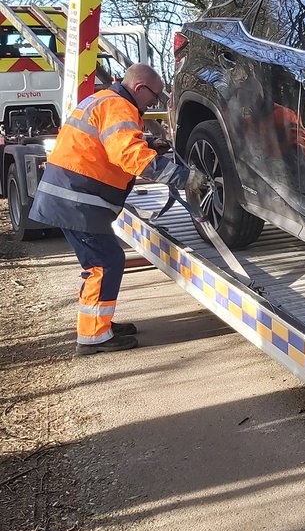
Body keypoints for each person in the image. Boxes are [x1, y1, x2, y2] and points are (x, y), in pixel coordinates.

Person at [30, 63, 191, 355]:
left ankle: (99, 326)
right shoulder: (119, 107)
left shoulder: (105, 100)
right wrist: (185, 178)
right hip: (76, 201)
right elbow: (130, 157)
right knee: (103, 263)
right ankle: (93, 336)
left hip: (73, 197)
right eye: (153, 96)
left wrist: (149, 141)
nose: (153, 103)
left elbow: (107, 142)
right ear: (140, 88)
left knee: (102, 262)